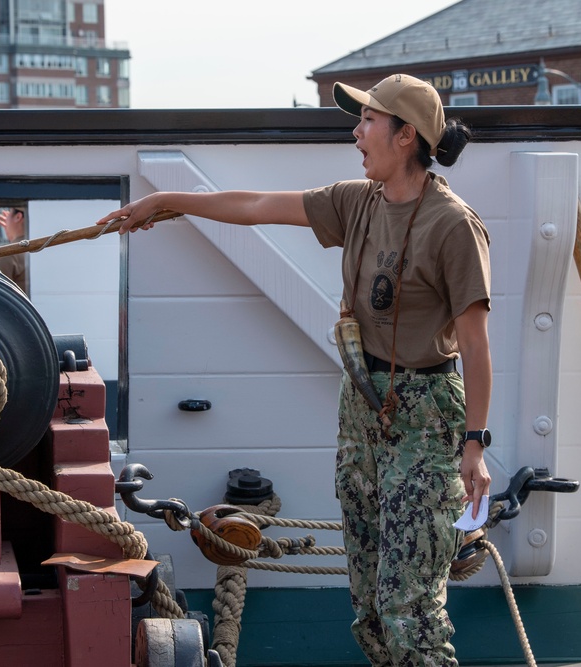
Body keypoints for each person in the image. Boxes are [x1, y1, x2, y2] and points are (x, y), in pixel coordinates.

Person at [96, 73, 492, 666]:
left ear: (406, 135)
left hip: (426, 417)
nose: (357, 133)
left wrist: (474, 445)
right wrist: (168, 201)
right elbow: (257, 206)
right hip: (362, 405)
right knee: (372, 614)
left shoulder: (452, 225)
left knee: (410, 611)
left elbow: (475, 345)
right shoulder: (357, 203)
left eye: (368, 121)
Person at [0, 207, 29, 295]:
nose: (6, 219)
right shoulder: (43, 247)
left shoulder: (8, 254)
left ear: (18, 217)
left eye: (9, 212)